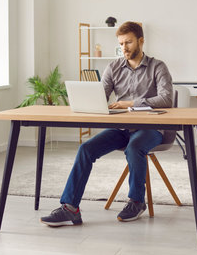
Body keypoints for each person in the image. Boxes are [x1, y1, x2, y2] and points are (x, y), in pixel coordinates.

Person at [40, 21, 173, 227]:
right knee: (86, 148)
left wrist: (130, 103)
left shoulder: (158, 66)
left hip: (150, 128)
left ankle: (137, 202)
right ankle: (70, 208)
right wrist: (89, 101)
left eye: (128, 42)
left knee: (135, 147)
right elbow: (100, 96)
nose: (124, 48)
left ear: (141, 41)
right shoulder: (113, 67)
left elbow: (166, 98)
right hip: (120, 128)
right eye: (121, 44)